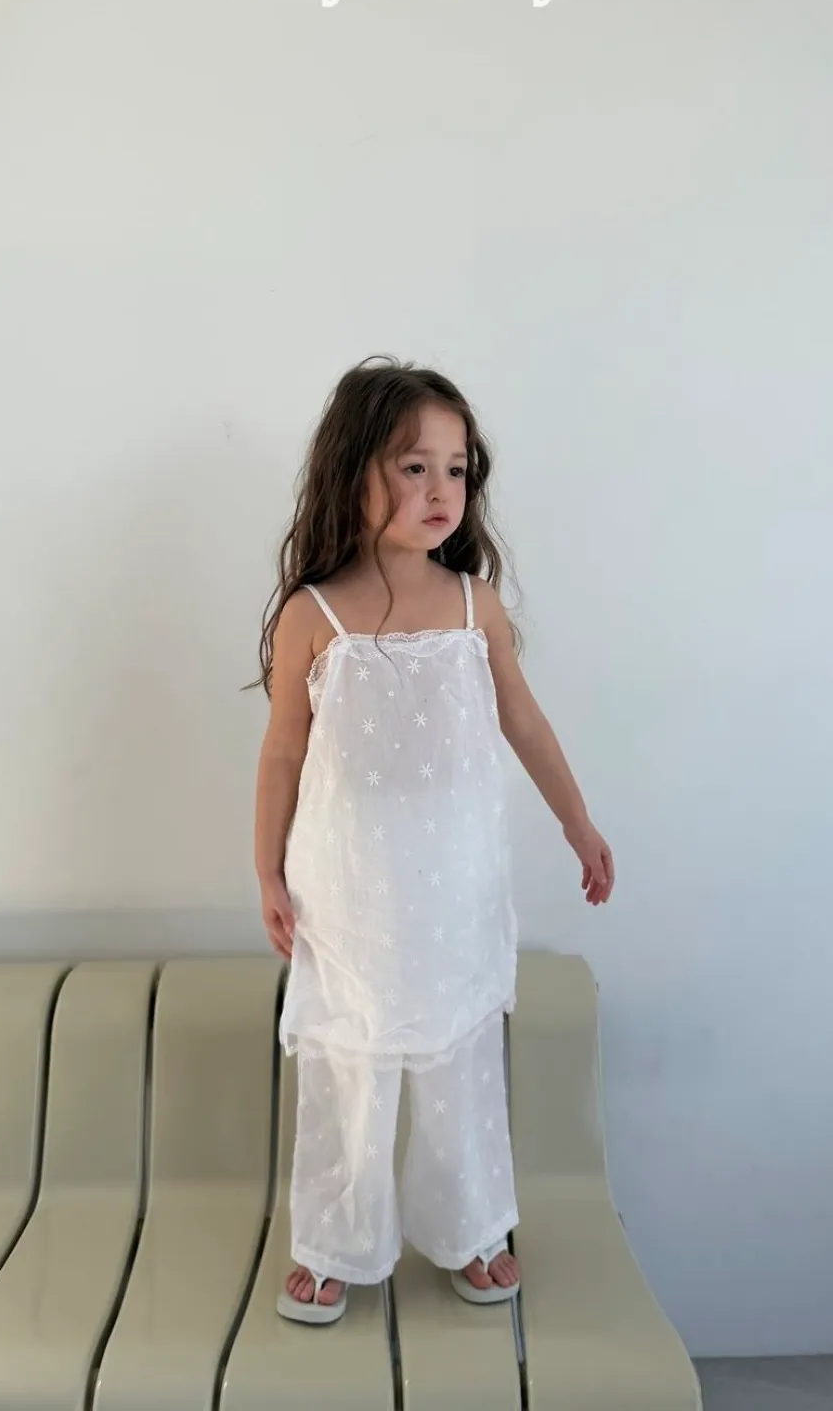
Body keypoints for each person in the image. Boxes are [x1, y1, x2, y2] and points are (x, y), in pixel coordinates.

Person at [252, 356, 615, 1324]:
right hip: (346, 890)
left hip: (454, 885)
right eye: (413, 467)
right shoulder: (311, 617)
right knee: (351, 1061)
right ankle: (332, 1240)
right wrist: (267, 873)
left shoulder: (472, 605)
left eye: (455, 469)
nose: (439, 490)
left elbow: (523, 722)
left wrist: (578, 825)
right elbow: (282, 751)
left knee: (458, 1056)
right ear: (353, 471)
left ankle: (473, 1228)